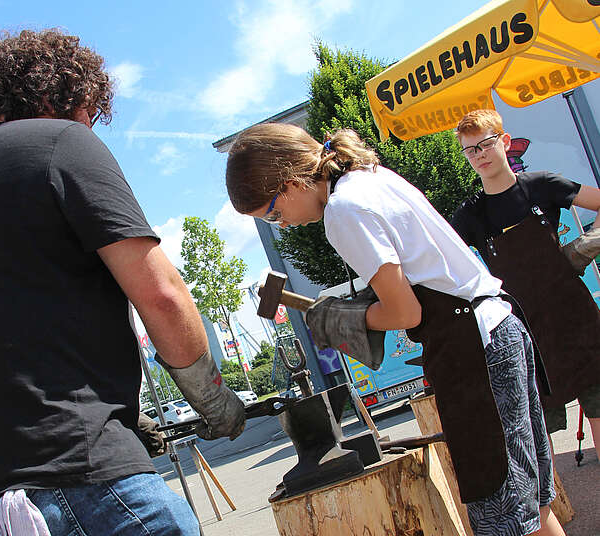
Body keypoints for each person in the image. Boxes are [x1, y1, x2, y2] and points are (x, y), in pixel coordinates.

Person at [0, 29, 245, 536]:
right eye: (91, 115)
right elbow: (161, 296)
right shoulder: (61, 142)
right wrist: (213, 399)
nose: (91, 129)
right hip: (75, 471)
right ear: (59, 95)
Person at [225, 123, 565, 536]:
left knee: (506, 519)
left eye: (274, 213)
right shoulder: (370, 176)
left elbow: (405, 312)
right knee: (532, 507)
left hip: (475, 348)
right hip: (501, 327)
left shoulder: (342, 210)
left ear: (291, 180)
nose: (284, 224)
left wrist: (343, 318)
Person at [451, 109, 600, 463]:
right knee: (536, 438)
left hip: (575, 319)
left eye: (485, 144)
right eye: (470, 150)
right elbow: (441, 260)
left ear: (504, 141)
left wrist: (585, 245)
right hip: (524, 334)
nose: (480, 155)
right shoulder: (471, 215)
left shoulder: (541, 185)